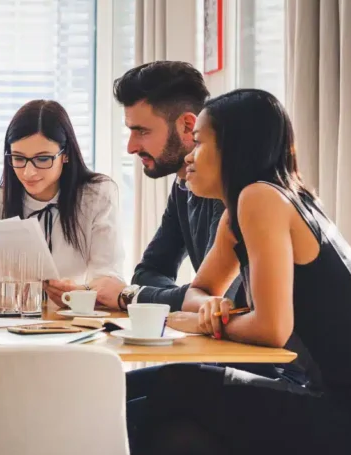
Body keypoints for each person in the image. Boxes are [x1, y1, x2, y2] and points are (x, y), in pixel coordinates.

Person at [126, 89, 351, 455]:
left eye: (201, 141)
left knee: (169, 387)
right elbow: (200, 290)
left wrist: (214, 322)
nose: (189, 153)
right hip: (326, 404)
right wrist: (208, 307)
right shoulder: (244, 207)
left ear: (235, 146)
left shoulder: (262, 198)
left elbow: (271, 328)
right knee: (172, 441)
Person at [0, 99, 125, 306]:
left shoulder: (96, 196)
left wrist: (79, 293)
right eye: (18, 158)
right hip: (8, 328)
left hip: (75, 322)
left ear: (65, 155)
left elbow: (109, 275)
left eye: (43, 159)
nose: (29, 172)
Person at [95, 61, 242, 312]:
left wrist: (131, 297)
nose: (130, 147)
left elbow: (219, 298)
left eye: (141, 131)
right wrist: (180, 298)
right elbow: (148, 272)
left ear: (187, 126)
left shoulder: (233, 186)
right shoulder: (183, 185)